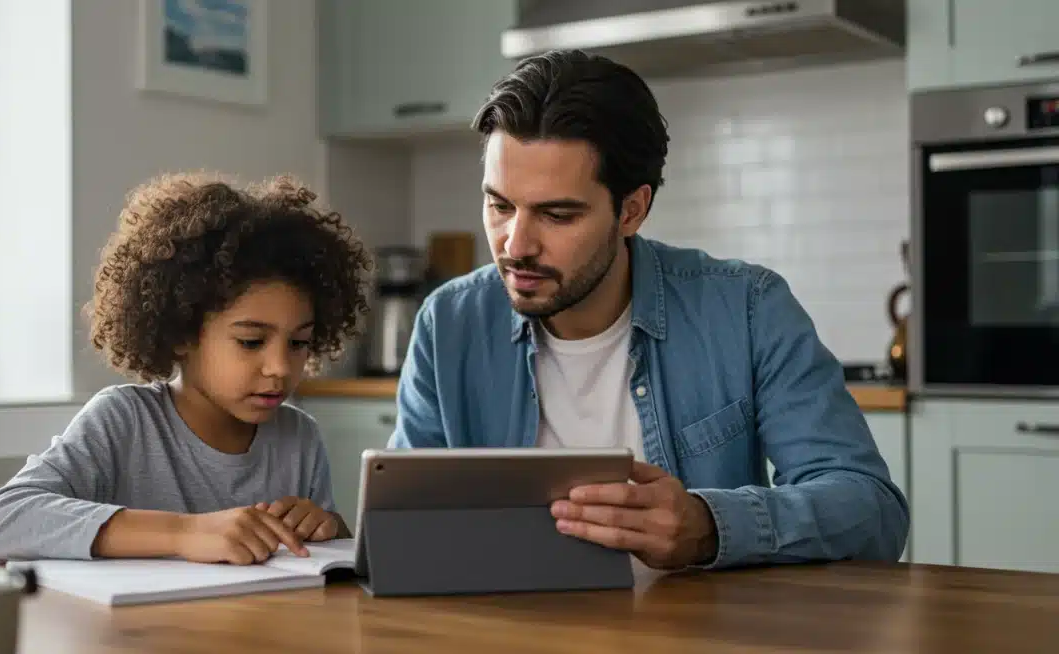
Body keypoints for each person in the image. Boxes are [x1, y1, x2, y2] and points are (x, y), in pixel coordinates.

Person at [389, 49, 910, 571]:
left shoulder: (748, 309)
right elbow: (401, 530)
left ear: (631, 210)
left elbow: (872, 512)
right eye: (500, 206)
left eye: (557, 214)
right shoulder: (448, 324)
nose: (515, 245)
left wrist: (710, 526)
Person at [0, 172, 372, 565]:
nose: (280, 367)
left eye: (298, 342)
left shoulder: (299, 438)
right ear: (182, 332)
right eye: (251, 342)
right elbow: (5, 519)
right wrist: (184, 532)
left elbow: (327, 568)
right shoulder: (124, 420)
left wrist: (329, 527)